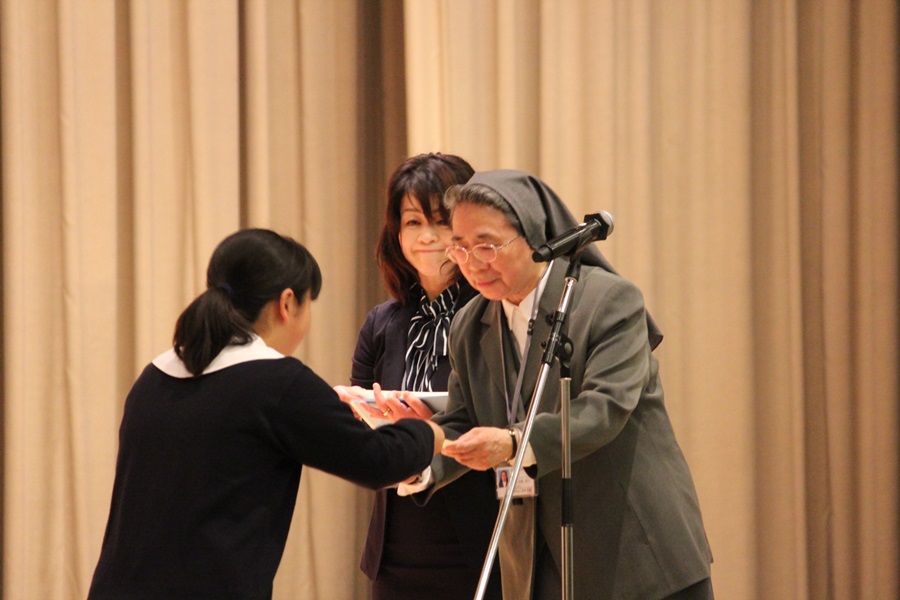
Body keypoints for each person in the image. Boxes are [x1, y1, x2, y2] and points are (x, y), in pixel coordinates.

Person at [382, 170, 714, 599]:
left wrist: (512, 443)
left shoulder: (608, 301)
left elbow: (605, 409)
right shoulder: (469, 323)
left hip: (634, 548)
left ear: (535, 238)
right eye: (460, 247)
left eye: (487, 245)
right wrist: (414, 455)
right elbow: (464, 421)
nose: (471, 263)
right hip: (538, 560)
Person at [88, 228, 444, 600]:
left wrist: (326, 408)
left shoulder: (154, 377)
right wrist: (429, 430)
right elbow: (379, 461)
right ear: (286, 303)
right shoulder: (278, 383)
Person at [333, 153, 502, 599]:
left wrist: (435, 428)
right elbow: (356, 440)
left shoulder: (497, 315)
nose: (426, 237)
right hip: (397, 550)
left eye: (441, 222)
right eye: (412, 222)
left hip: (482, 542)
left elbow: (513, 421)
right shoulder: (381, 323)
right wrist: (367, 417)